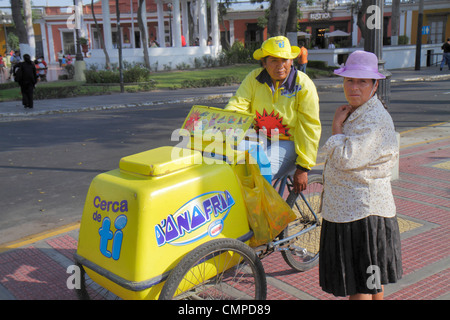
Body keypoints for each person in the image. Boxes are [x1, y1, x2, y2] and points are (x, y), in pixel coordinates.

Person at [318, 50, 402, 300]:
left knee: (360, 285)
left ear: (375, 85)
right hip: (357, 211)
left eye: (362, 81)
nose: (354, 87)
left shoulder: (374, 119)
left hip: (361, 214)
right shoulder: (359, 110)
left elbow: (345, 158)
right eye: (349, 80)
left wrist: (335, 128)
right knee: (371, 282)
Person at [225, 36, 321, 193]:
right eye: (274, 60)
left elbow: (309, 126)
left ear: (291, 61)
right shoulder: (254, 79)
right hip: (260, 136)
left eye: (285, 60)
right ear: (264, 62)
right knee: (230, 160)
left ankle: (261, 214)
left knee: (260, 172)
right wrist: (223, 125)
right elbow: (237, 105)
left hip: (289, 142)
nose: (280, 66)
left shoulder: (303, 85)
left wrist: (303, 167)